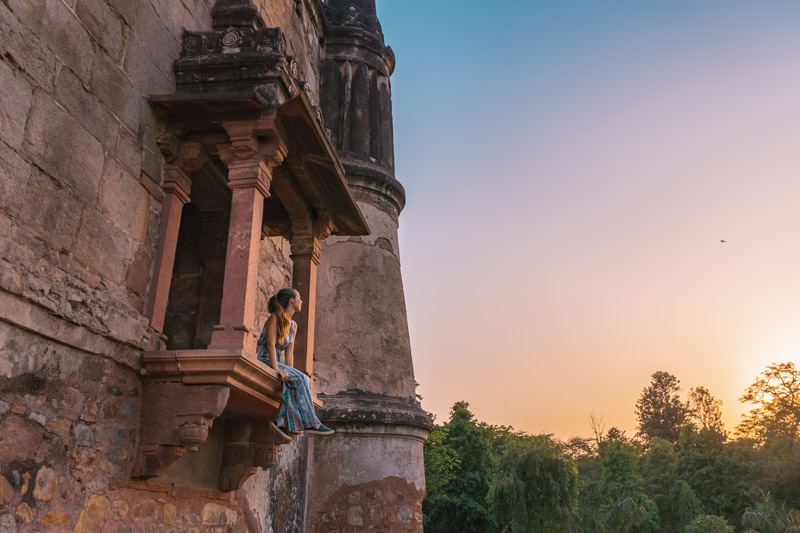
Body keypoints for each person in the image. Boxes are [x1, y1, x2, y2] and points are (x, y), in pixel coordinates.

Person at [256, 287, 334, 438]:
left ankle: (280, 422)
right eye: (299, 298)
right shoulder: (274, 318)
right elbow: (270, 345)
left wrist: (290, 374)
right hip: (264, 358)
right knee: (302, 378)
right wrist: (277, 369)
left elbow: (289, 353)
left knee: (298, 379)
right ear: (292, 300)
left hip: (278, 363)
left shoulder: (293, 325)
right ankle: (312, 423)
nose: (301, 301)